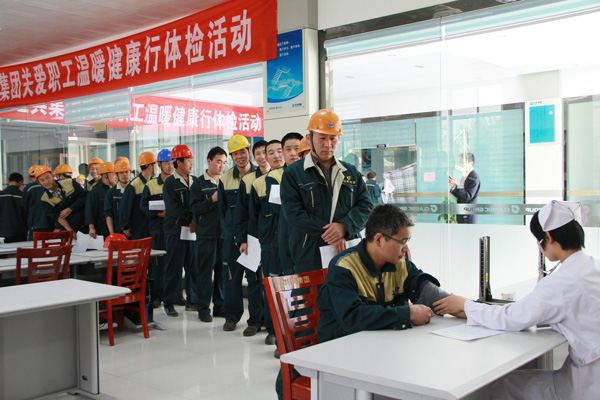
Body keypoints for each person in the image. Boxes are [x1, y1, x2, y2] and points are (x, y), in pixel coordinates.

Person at [434, 200, 600, 400]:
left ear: (548, 237)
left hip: (587, 386)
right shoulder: (592, 266)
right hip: (588, 375)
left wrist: (465, 305)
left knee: (505, 384)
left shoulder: (562, 282)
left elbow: (512, 318)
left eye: (539, 240)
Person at [317, 204, 450, 342]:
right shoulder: (343, 267)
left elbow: (422, 286)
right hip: (341, 347)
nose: (406, 249)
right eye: (402, 242)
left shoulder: (399, 264)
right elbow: (353, 318)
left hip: (380, 343)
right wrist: (407, 314)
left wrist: (455, 303)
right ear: (379, 239)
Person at [280, 109, 373, 273]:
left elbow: (366, 207)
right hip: (310, 252)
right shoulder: (293, 173)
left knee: (347, 287)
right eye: (322, 138)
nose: (328, 144)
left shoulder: (350, 172)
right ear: (309, 139)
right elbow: (294, 214)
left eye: (333, 138)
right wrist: (333, 234)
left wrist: (344, 227)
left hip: (347, 248)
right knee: (315, 289)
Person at [219, 134, 263, 335]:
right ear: (231, 157)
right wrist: (234, 232)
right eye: (235, 154)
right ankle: (231, 317)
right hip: (232, 237)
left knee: (254, 279)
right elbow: (222, 210)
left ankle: (255, 320)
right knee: (231, 277)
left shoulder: (260, 176)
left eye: (242, 152)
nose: (240, 157)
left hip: (254, 237)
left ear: (249, 152)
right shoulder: (225, 179)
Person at [248, 139, 286, 345]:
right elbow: (253, 217)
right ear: (265, 157)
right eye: (270, 152)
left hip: (292, 242)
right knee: (271, 286)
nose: (276, 155)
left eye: (279, 151)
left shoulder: (296, 176)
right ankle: (273, 330)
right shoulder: (259, 183)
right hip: (269, 242)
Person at [190, 147, 228, 322]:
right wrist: (211, 199)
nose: (221, 166)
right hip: (206, 235)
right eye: (218, 162)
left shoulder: (225, 181)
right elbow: (195, 209)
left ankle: (220, 306)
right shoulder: (198, 184)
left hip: (224, 234)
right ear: (209, 161)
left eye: (224, 162)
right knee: (205, 273)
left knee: (221, 272)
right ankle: (203, 308)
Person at [162, 145, 198, 317]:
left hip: (192, 231)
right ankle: (169, 302)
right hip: (176, 230)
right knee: (174, 267)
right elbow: (172, 208)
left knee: (193, 266)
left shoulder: (195, 180)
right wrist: (190, 218)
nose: (191, 163)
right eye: (188, 160)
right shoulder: (170, 183)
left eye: (191, 160)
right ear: (179, 162)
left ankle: (193, 300)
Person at [141, 148, 174, 309]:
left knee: (174, 263)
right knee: (158, 265)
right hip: (158, 229)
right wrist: (158, 214)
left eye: (172, 162)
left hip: (175, 229)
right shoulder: (151, 185)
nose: (170, 166)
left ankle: (175, 295)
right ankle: (157, 295)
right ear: (159, 165)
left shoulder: (178, 182)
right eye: (166, 163)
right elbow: (143, 206)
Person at [37, 165, 88, 233]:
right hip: (69, 227)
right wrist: (69, 230)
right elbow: (57, 216)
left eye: (47, 177)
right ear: (39, 182)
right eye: (42, 180)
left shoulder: (69, 183)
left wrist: (71, 209)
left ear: (52, 176)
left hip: (86, 223)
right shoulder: (45, 199)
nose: (46, 182)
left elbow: (84, 196)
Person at [120, 151, 156, 239]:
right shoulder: (134, 185)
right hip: (139, 230)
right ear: (150, 166)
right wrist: (125, 227)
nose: (157, 168)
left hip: (152, 228)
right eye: (155, 165)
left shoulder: (154, 183)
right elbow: (125, 207)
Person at [86, 161, 115, 240]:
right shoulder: (95, 192)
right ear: (105, 176)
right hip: (101, 229)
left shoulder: (116, 190)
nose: (116, 177)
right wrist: (91, 227)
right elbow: (90, 210)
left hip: (115, 228)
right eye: (113, 174)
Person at [448, 152, 480, 224]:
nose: (461, 165)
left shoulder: (474, 177)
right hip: (461, 214)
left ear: (471, 163)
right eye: (460, 162)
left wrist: (456, 186)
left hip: (468, 215)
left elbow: (468, 196)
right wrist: (453, 186)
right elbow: (460, 195)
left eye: (463, 163)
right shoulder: (465, 176)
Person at [21, 165, 52, 240]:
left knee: (36, 246)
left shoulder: (29, 188)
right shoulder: (53, 187)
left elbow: (23, 207)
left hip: (36, 225)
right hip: (53, 225)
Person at [105, 158, 131, 235]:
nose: (124, 174)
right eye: (121, 172)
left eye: (126, 172)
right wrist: (112, 234)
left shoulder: (135, 189)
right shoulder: (111, 193)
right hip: (118, 232)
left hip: (134, 232)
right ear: (117, 175)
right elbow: (108, 214)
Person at [0, 172, 27, 243]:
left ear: (8, 181)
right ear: (20, 182)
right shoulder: (23, 196)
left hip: (4, 232)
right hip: (20, 231)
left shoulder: (1, 195)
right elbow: (26, 213)